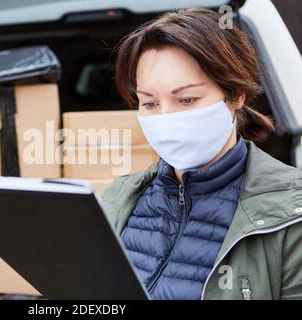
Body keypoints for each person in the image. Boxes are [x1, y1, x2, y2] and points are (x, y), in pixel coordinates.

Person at [102, 8, 302, 300]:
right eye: (150, 103)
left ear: (236, 95)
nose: (166, 120)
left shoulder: (291, 214)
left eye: (186, 99)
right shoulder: (119, 197)